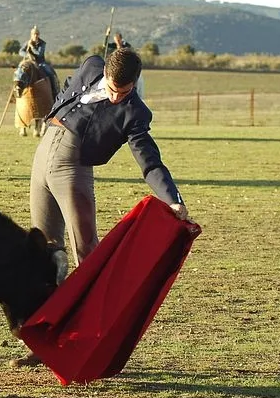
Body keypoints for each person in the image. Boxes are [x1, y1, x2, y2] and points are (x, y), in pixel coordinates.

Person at [29, 48, 188, 272]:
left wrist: (172, 198)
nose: (115, 97)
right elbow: (68, 85)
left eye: (124, 92)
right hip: (43, 152)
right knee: (43, 244)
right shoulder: (91, 65)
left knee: (86, 248)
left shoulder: (135, 113)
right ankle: (48, 306)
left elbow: (149, 160)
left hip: (73, 166)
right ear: (105, 71)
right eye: (113, 89)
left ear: (134, 83)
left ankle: (94, 306)